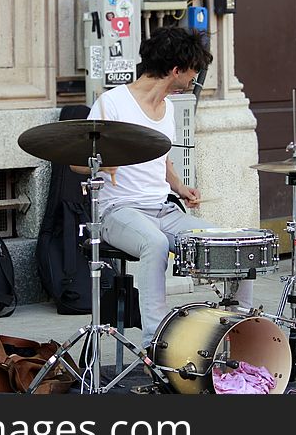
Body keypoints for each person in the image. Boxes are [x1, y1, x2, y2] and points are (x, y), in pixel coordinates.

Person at [78, 26, 253, 350]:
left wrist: (180, 187)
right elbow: (75, 161)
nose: (194, 78)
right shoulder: (112, 103)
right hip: (118, 211)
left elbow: (163, 161)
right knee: (155, 243)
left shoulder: (169, 108)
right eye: (194, 71)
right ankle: (155, 346)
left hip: (163, 208)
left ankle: (240, 337)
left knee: (231, 244)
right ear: (176, 70)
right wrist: (102, 163)